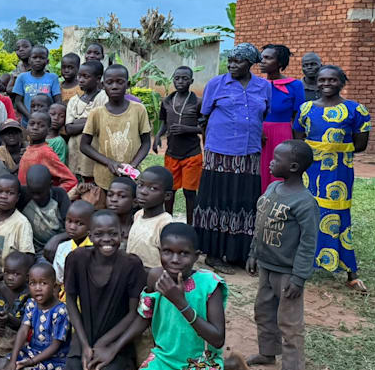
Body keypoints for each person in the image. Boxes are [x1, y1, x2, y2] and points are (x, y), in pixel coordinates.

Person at [116, 223, 228, 370]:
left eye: (184, 253)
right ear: (159, 251)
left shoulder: (210, 285)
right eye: (168, 251)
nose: (175, 259)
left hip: (200, 362)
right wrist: (114, 347)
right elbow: (144, 316)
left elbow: (217, 338)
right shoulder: (155, 277)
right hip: (164, 357)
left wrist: (181, 303)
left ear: (196, 256)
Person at [59, 210, 147, 370]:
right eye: (99, 234)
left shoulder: (131, 265)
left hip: (116, 338)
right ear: (90, 235)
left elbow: (133, 313)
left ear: (122, 234)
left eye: (112, 233)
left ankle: (122, 368)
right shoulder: (76, 259)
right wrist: (85, 345)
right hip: (85, 336)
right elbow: (70, 300)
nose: (106, 240)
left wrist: (105, 346)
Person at [244, 140, 318, 370]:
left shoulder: (305, 202)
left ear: (294, 167)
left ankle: (291, 367)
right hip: (266, 265)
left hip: (287, 273)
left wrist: (299, 277)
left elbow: (308, 242)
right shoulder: (273, 188)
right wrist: (253, 253)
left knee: (289, 321)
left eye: (277, 159)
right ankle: (267, 352)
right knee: (263, 311)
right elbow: (260, 224)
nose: (271, 162)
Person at [293, 65, 371, 292]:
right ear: (316, 82)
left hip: (339, 172)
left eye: (332, 80)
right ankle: (302, 263)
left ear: (342, 82)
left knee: (338, 214)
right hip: (310, 171)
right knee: (307, 212)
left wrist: (333, 149)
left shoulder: (356, 110)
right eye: (322, 80)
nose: (326, 84)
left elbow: (360, 145)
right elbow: (299, 140)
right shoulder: (306, 109)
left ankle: (350, 272)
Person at [194, 43, 271, 274]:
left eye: (238, 61)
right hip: (219, 153)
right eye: (230, 60)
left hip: (249, 153)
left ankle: (239, 253)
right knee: (217, 201)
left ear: (251, 64)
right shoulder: (216, 84)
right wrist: (208, 146)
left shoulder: (264, 87)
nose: (232, 65)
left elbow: (262, 115)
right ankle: (214, 254)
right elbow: (204, 117)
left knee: (244, 203)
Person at [81, 64, 151, 191]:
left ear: (127, 84)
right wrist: (109, 162)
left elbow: (146, 143)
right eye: (109, 82)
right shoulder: (96, 113)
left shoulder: (138, 109)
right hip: (104, 177)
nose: (114, 86)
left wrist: (132, 166)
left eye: (120, 82)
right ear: (102, 85)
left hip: (131, 178)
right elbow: (84, 146)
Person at [152, 66, 203, 224]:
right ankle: (167, 223)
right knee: (170, 191)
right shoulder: (167, 101)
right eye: (177, 78)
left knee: (189, 192)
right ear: (173, 80)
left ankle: (190, 226)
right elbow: (164, 123)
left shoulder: (198, 102)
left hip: (192, 154)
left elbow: (204, 127)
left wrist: (186, 129)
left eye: (184, 78)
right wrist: (158, 136)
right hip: (172, 153)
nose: (180, 81)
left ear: (191, 81)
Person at [259, 44, 305, 193]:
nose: (262, 61)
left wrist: (297, 143)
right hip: (258, 134)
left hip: (282, 134)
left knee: (280, 169)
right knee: (258, 171)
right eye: (262, 57)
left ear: (280, 62)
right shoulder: (257, 85)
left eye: (268, 58)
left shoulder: (295, 85)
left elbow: (298, 116)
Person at [0, 175, 34, 281]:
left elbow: (28, 257)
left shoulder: (21, 223)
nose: (3, 196)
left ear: (17, 197)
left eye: (10, 193)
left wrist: (8, 275)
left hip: (10, 277)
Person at [127, 166, 175, 270]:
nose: (143, 192)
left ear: (167, 196)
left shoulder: (165, 224)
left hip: (152, 275)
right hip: (131, 271)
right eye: (140, 185)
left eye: (153, 188)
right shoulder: (138, 215)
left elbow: (169, 260)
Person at [65, 61, 106, 182]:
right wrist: (91, 121)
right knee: (76, 182)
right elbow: (69, 129)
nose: (81, 80)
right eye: (79, 76)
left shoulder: (104, 97)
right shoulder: (74, 100)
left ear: (98, 79)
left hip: (94, 151)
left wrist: (78, 122)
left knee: (93, 182)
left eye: (86, 77)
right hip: (75, 151)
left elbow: (101, 123)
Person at [18, 111, 78, 193]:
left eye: (41, 125)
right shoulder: (29, 148)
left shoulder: (46, 153)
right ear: (27, 126)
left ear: (48, 129)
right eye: (32, 124)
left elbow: (71, 180)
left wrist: (49, 195)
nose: (35, 128)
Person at [21, 165, 69, 255]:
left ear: (50, 185)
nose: (35, 197)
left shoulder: (59, 195)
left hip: (59, 247)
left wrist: (56, 239)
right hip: (35, 249)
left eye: (39, 193)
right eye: (32, 192)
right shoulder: (23, 195)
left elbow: (72, 228)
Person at [53, 200, 95, 294]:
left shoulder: (95, 249)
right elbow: (57, 280)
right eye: (69, 221)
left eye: (79, 223)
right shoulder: (62, 248)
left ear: (91, 226)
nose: (72, 227)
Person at [11, 46, 60, 122]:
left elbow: (58, 101)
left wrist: (50, 117)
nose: (38, 60)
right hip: (27, 122)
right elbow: (18, 101)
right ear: (29, 60)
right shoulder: (22, 77)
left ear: (47, 61)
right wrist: (29, 116)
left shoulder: (53, 78)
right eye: (34, 57)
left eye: (42, 58)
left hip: (46, 122)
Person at [106, 177, 137, 247]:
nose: (113, 199)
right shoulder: (99, 226)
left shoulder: (139, 227)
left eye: (122, 196)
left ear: (135, 202)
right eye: (110, 195)